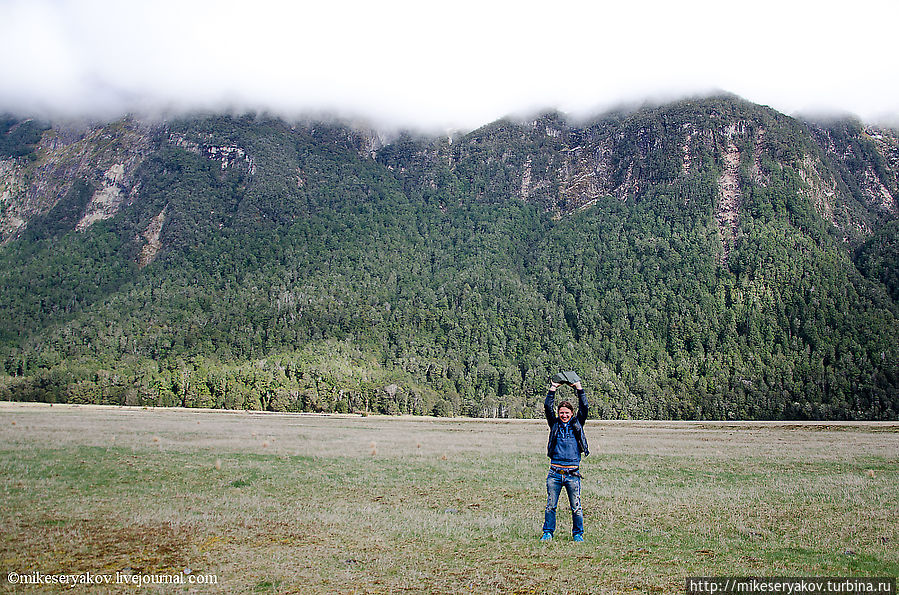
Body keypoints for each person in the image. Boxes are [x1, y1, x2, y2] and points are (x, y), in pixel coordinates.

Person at [541, 372, 589, 542]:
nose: (564, 415)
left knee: (576, 507)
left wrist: (578, 387)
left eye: (567, 412)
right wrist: (553, 387)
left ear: (572, 413)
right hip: (555, 473)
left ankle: (578, 534)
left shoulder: (577, 424)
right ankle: (548, 532)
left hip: (572, 474)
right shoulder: (554, 424)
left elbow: (585, 408)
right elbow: (548, 407)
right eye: (561, 412)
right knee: (550, 506)